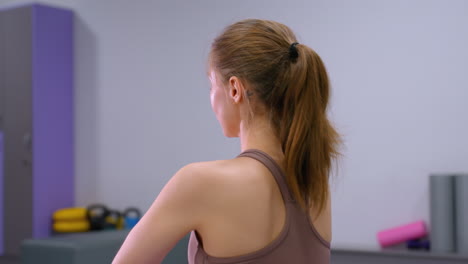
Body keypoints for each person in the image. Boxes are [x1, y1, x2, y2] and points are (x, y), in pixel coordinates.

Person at [113, 18, 341, 264]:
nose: (211, 99)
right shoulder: (314, 185)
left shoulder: (199, 183)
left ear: (235, 89)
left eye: (212, 85)